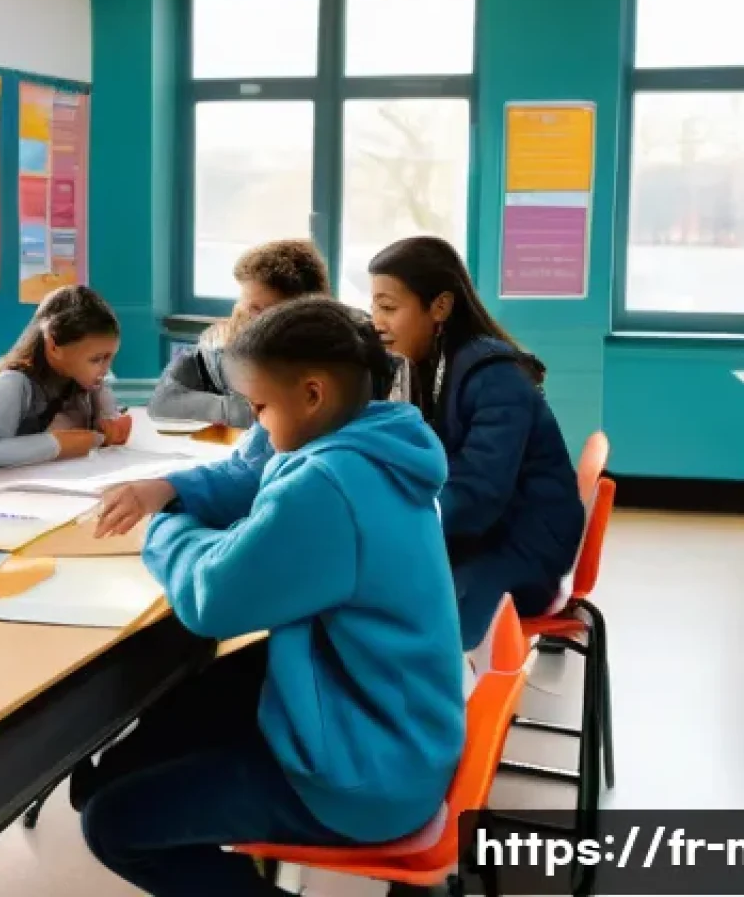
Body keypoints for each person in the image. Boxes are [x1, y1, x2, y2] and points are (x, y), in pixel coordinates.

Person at [80, 296, 464, 897]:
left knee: (113, 824)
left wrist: (163, 527)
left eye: (260, 408)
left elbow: (212, 600)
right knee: (177, 718)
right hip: (396, 732)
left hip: (364, 775)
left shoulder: (327, 484)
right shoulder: (376, 446)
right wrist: (177, 497)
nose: (256, 425)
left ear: (311, 395)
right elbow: (253, 498)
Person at [368, 236, 585, 649]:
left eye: (389, 308)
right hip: (486, 535)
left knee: (411, 615)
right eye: (374, 307)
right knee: (378, 591)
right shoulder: (432, 364)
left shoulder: (493, 376)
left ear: (440, 307)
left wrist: (400, 525)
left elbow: (479, 491)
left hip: (523, 547)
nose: (377, 322)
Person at [0, 286, 132, 477]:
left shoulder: (83, 381)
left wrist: (108, 423)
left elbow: (106, 421)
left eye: (110, 358)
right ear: (54, 346)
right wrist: (58, 444)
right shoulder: (13, 384)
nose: (105, 370)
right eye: (97, 359)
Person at [148, 239, 331, 428]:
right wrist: (238, 409)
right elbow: (163, 403)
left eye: (258, 310)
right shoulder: (217, 349)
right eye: (243, 301)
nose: (243, 314)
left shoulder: (326, 365)